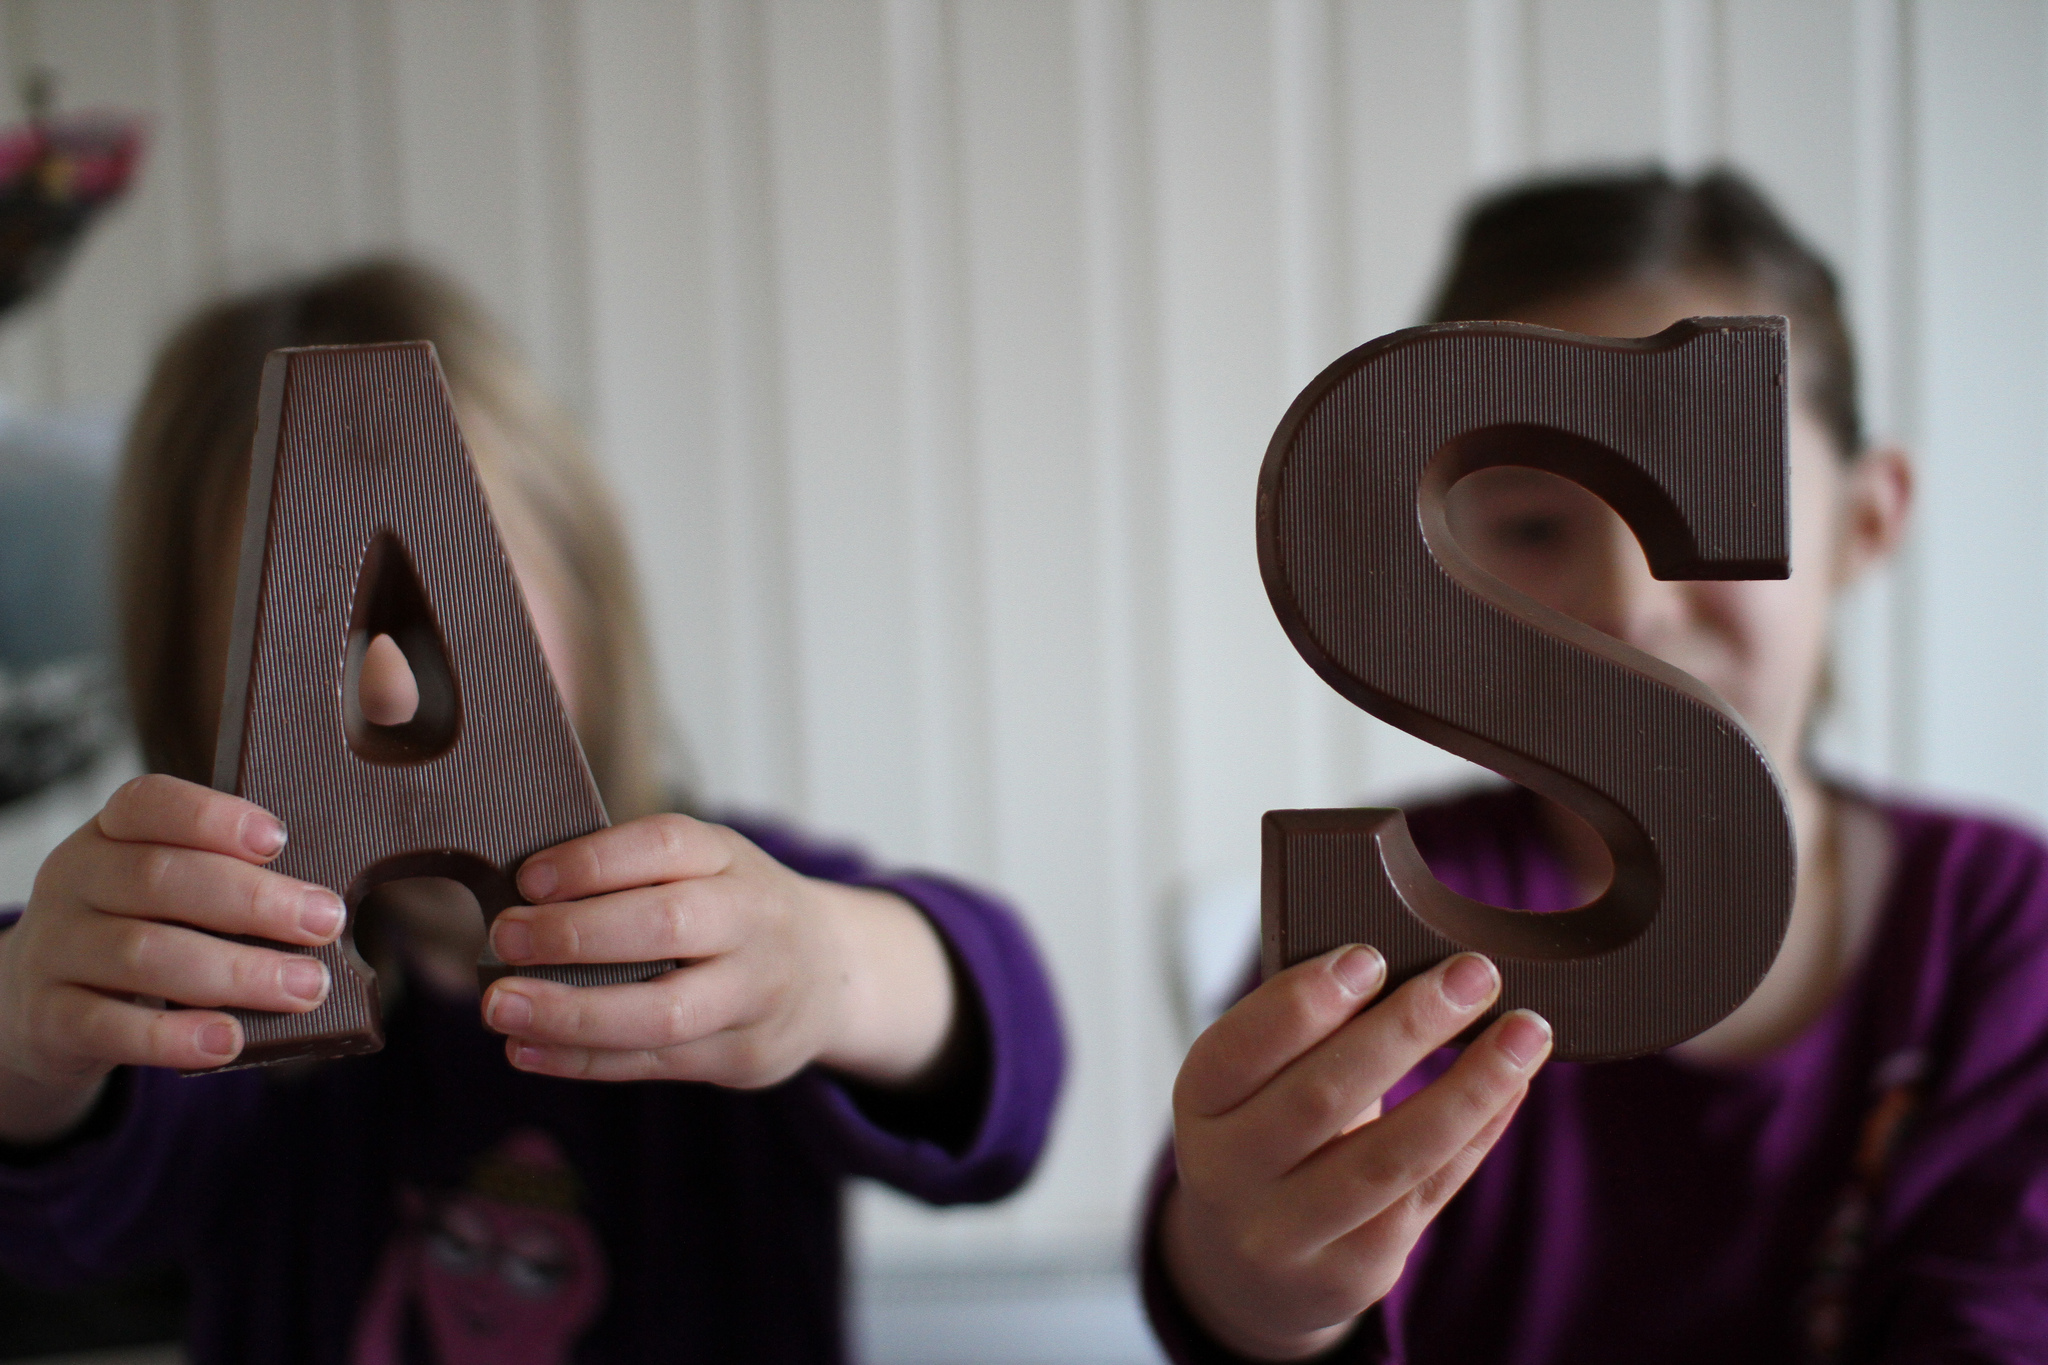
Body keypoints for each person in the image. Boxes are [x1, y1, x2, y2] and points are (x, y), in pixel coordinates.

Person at [0, 260, 1065, 1364]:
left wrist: (833, 967)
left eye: (438, 608)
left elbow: (1006, 1075)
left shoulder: (715, 928)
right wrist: (30, 1027)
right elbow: (54, 1212)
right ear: (193, 683)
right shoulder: (213, 988)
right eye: (300, 627)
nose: (385, 691)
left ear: (584, 587)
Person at [1145, 167, 2048, 1363]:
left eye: (1711, 508)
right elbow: (1249, 1263)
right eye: (1530, 526)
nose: (1624, 606)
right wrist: (1257, 1280)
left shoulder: (1999, 925)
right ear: (1443, 539)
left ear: (1867, 517)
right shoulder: (1395, 911)